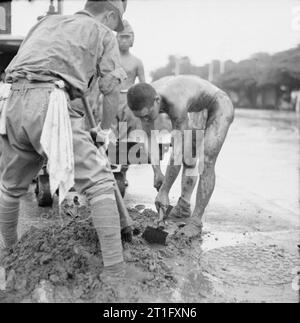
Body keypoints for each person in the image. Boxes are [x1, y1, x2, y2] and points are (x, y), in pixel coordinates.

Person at [0, 0, 147, 280]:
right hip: (50, 102)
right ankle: (115, 273)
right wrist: (104, 131)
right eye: (116, 25)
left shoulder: (45, 23)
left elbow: (34, 63)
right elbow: (110, 88)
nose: (115, 31)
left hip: (11, 102)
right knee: (100, 181)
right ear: (111, 15)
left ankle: (9, 253)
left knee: (10, 187)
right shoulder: (102, 32)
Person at [127, 75, 234, 238]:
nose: (145, 120)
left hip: (219, 105)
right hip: (196, 108)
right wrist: (156, 171)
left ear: (156, 101)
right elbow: (150, 139)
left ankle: (196, 221)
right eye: (140, 117)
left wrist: (164, 190)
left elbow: (176, 152)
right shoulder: (145, 99)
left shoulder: (175, 103)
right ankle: (183, 207)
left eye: (147, 116)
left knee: (206, 160)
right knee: (188, 156)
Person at [115, 20, 145, 185]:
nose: (124, 40)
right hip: (111, 101)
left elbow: (144, 86)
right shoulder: (109, 59)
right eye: (121, 37)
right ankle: (107, 173)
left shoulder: (137, 62)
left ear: (132, 39)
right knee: (110, 139)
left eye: (127, 37)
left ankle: (123, 172)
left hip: (129, 104)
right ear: (116, 38)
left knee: (130, 139)